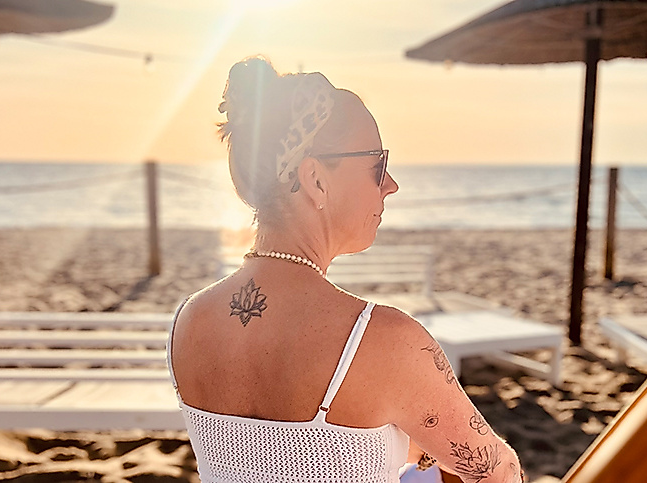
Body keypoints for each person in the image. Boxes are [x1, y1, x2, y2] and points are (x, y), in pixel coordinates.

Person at [167, 56, 523, 483]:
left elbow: (285, 457)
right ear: (315, 179)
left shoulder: (190, 320)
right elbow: (497, 472)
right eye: (377, 163)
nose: (390, 184)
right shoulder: (384, 340)